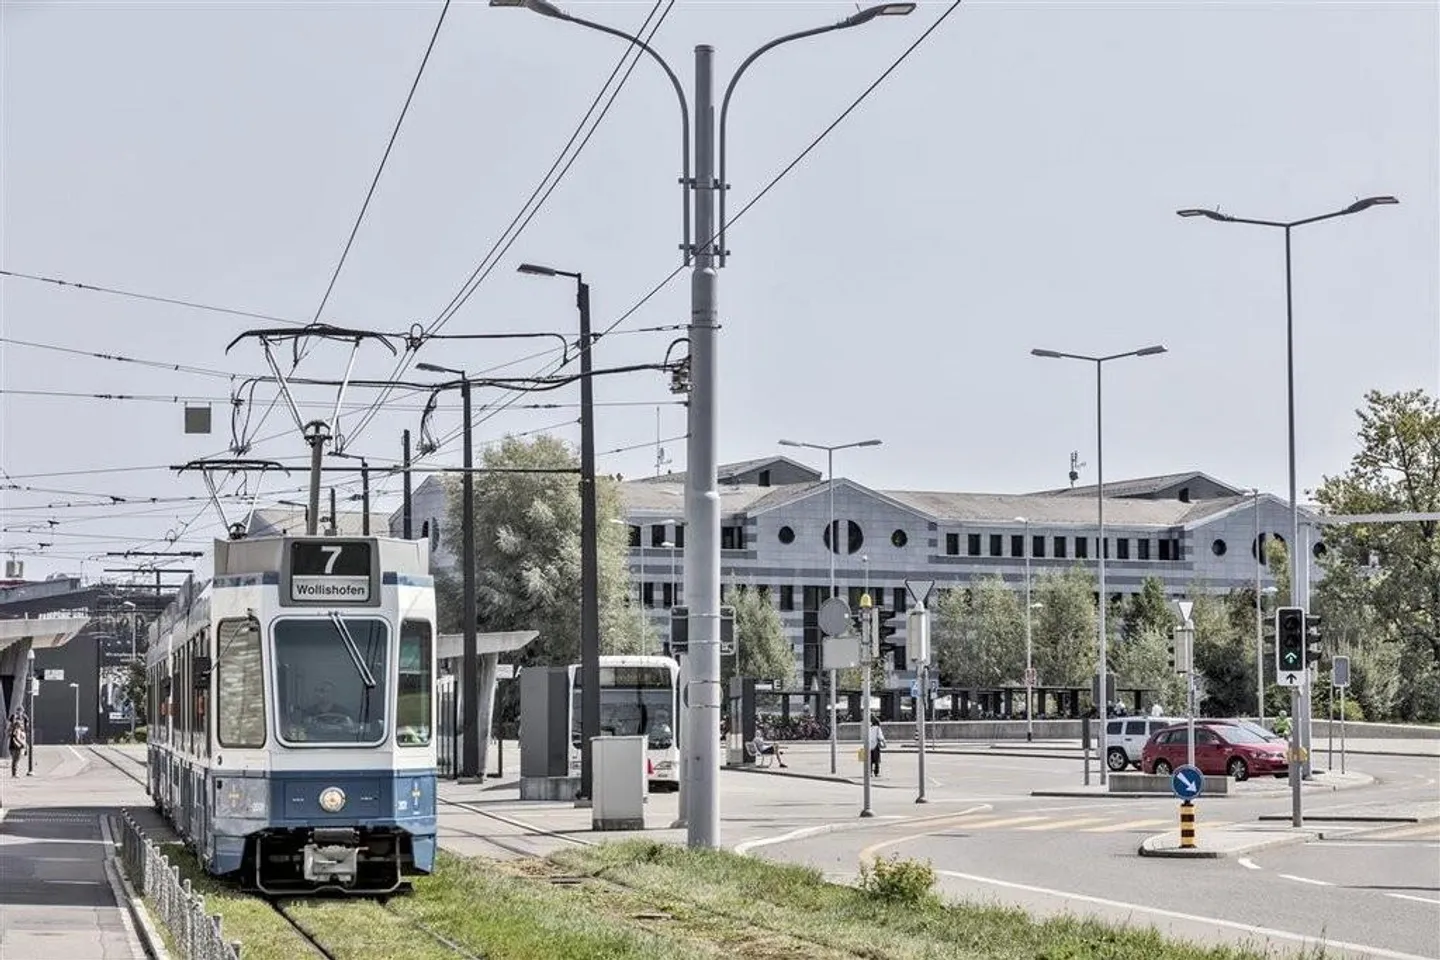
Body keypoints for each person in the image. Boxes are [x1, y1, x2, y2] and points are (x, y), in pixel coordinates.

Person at [8, 709, 28, 778]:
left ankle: (14, 773)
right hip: (16, 746)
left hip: (14, 746)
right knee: (16, 759)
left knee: (16, 759)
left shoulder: (16, 730)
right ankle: (14, 773)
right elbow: (17, 738)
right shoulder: (17, 730)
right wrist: (23, 744)